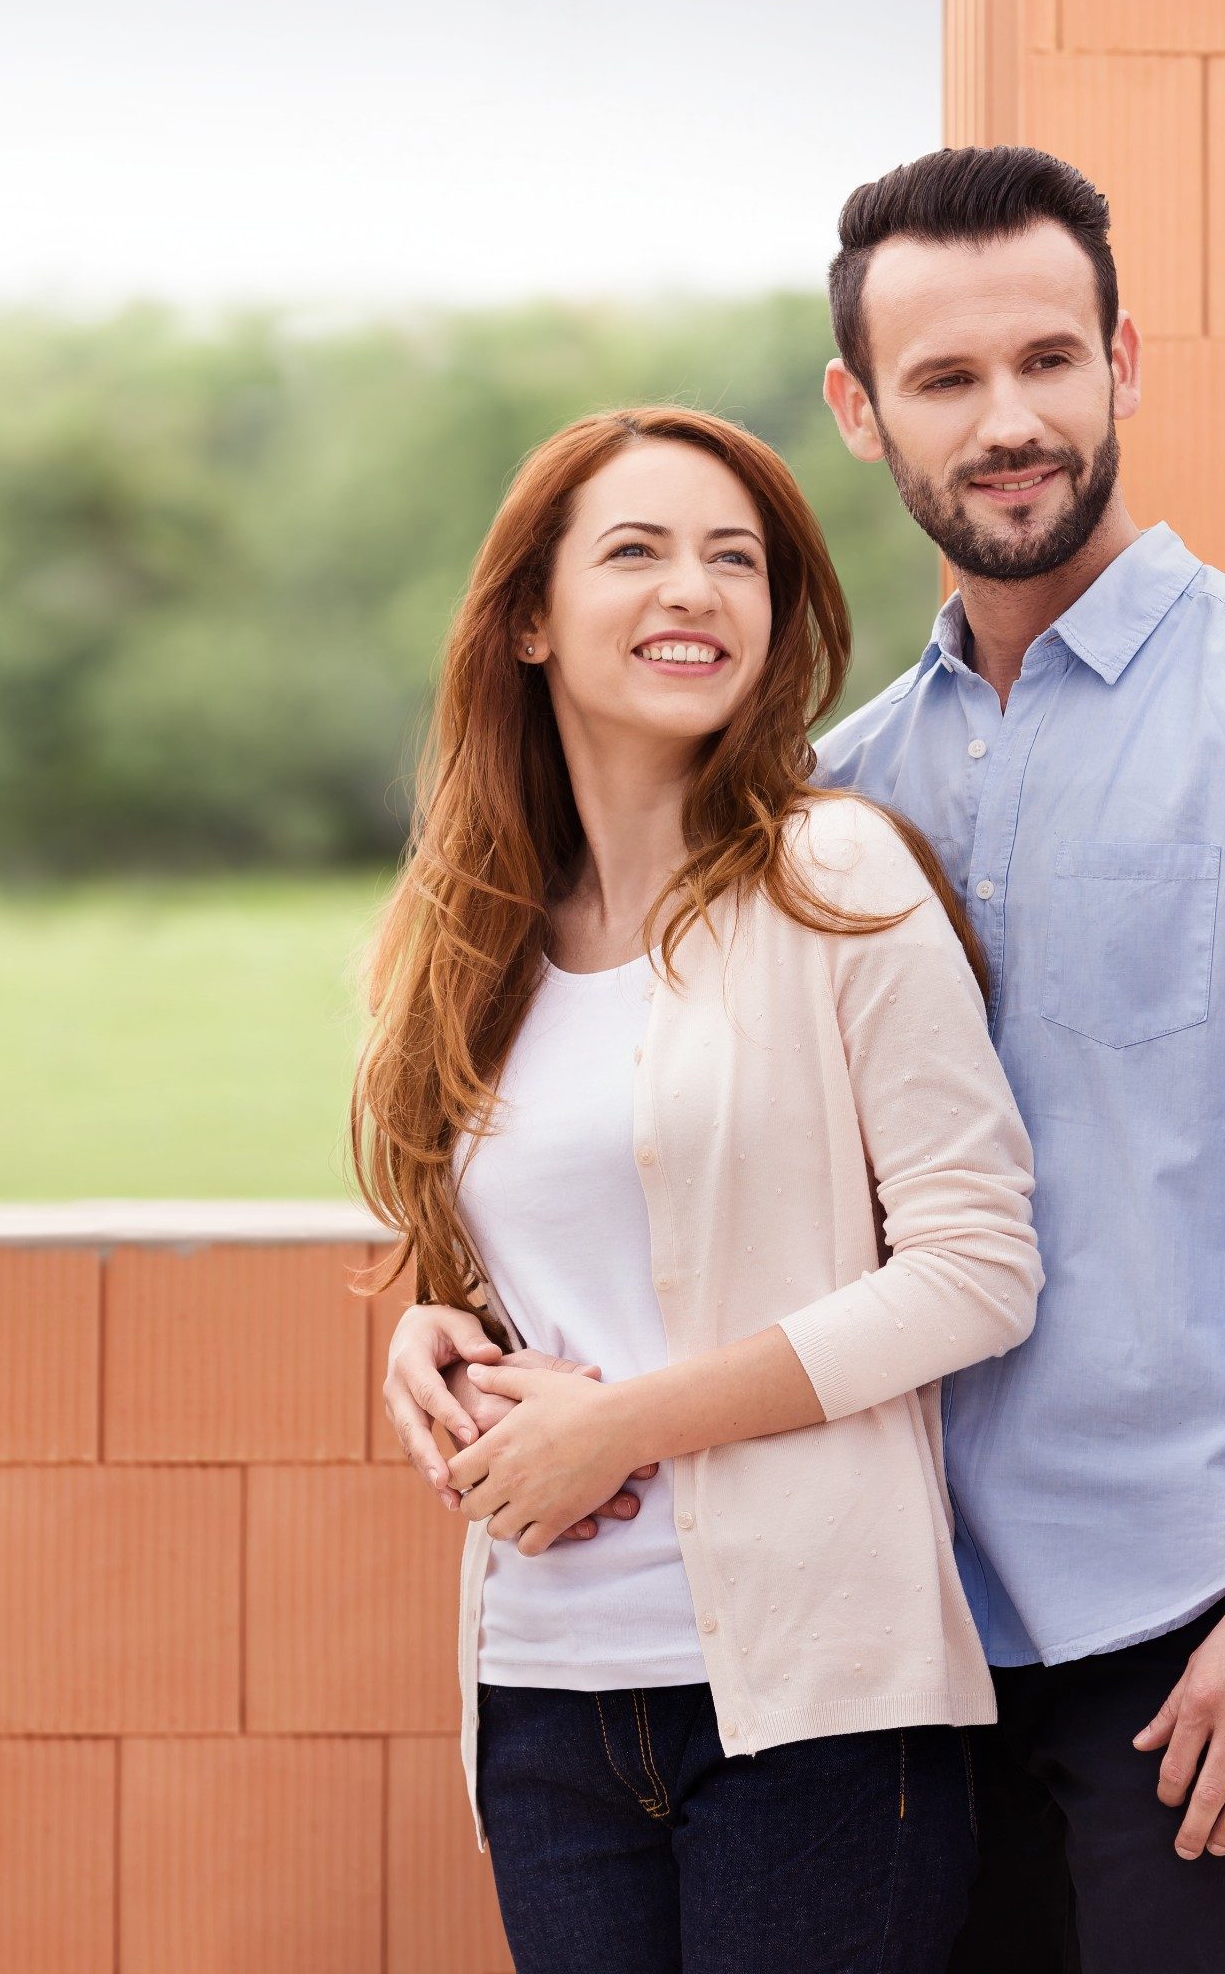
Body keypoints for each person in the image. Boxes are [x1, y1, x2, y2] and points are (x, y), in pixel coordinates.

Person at [387, 148, 1225, 1974]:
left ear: (1122, 364)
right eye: (944, 380)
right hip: (903, 1637)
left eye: (1046, 362)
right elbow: (665, 1157)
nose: (1008, 421)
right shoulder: (840, 786)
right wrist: (445, 1318)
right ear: (862, 412)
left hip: (1194, 1620)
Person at [354, 403, 1044, 1972]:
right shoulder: (468, 939)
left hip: (815, 1709)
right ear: (527, 617)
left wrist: (625, 1424)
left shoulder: (837, 877)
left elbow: (976, 1266)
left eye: (736, 559)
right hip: (544, 1702)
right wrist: (434, 1334)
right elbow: (535, 1259)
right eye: (638, 552)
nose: (697, 590)